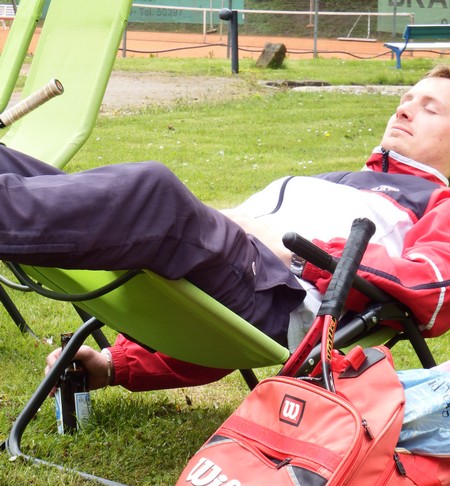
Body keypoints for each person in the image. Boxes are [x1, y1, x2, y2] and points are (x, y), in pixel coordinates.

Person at [5, 63, 447, 392]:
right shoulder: (345, 181)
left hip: (280, 294)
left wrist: (293, 251)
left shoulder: (436, 204)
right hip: (233, 270)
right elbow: (203, 311)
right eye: (405, 100)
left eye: (430, 109)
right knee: (15, 163)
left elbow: (428, 289)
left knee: (154, 194)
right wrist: (113, 364)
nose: (404, 111)